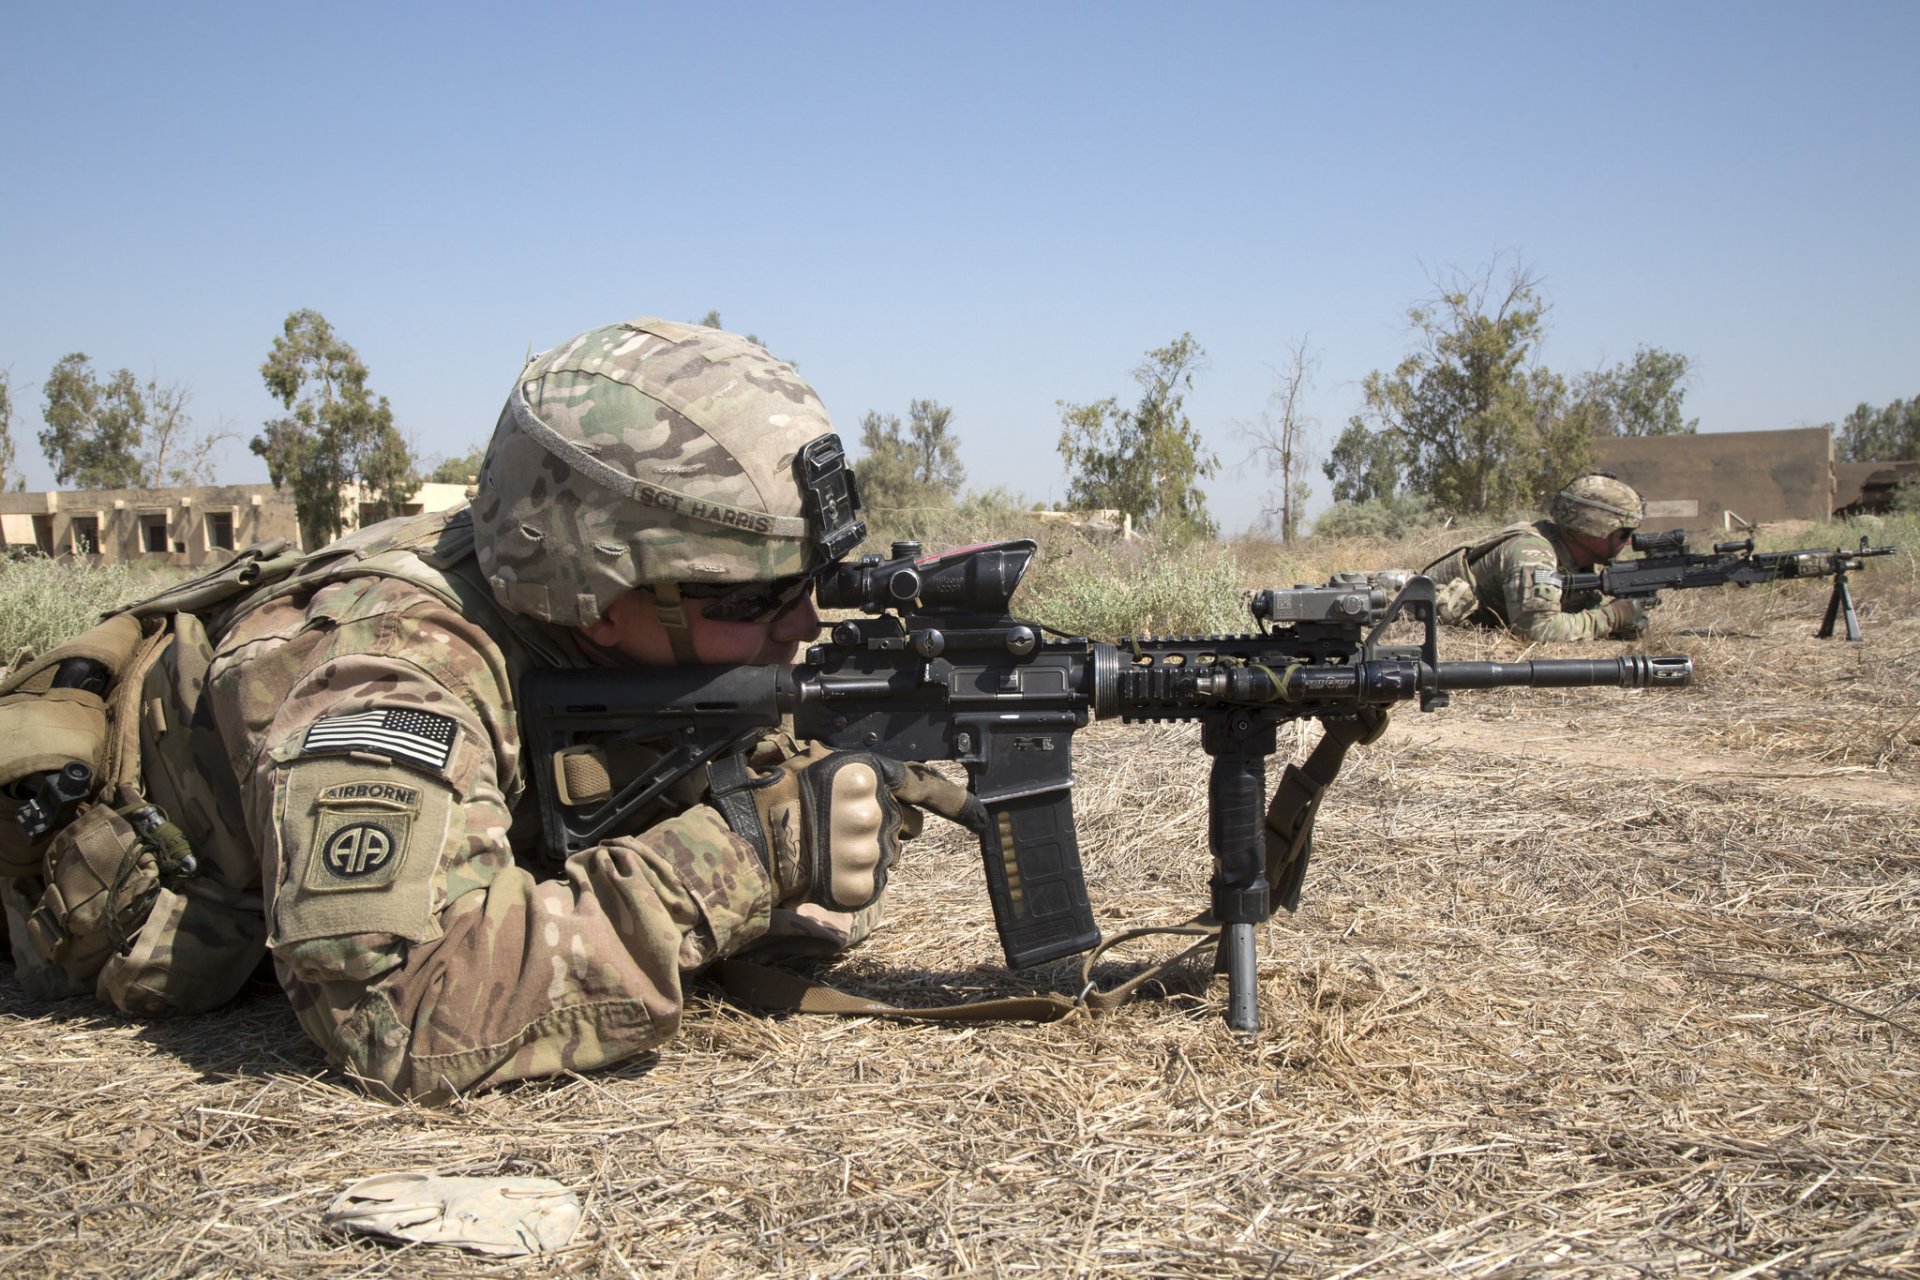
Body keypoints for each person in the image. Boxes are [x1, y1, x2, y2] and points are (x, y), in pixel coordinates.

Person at [0, 317, 980, 1100]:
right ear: (597, 593)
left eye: (811, 579)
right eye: (752, 598)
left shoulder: (568, 606)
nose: (801, 622)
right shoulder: (384, 667)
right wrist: (743, 857)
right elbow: (398, 1009)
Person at [1422, 473, 1650, 641]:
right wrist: (1611, 617)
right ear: (1595, 527)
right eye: (1624, 533)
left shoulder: (1574, 560)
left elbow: (1575, 615)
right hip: (1416, 619)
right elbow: (1537, 630)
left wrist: (1628, 619)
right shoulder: (1532, 553)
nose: (1628, 541)